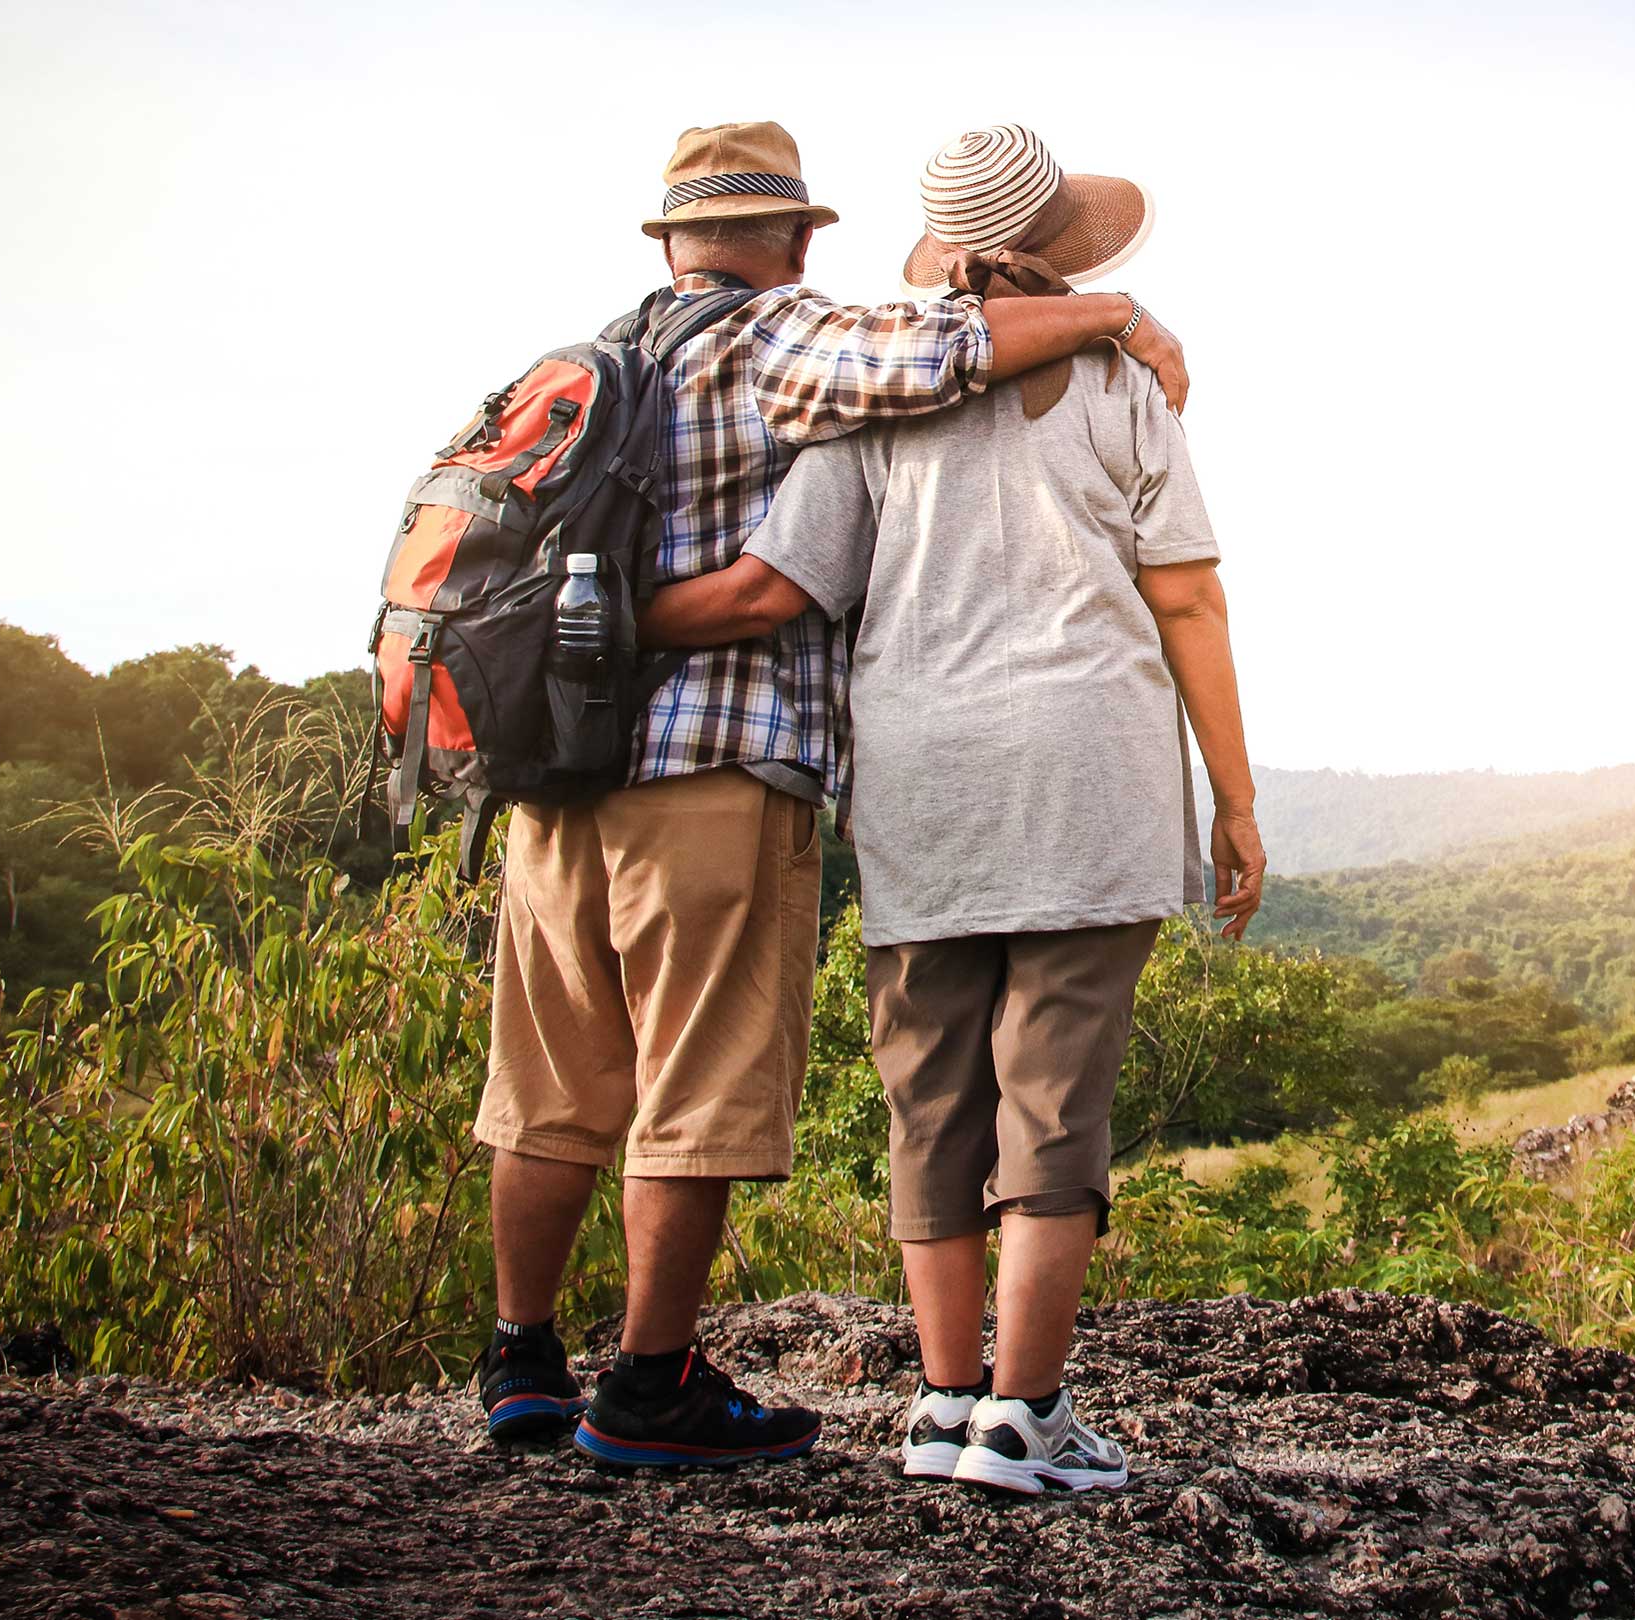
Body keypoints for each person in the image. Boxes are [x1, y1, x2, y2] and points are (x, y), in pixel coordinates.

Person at [471, 120, 1193, 1469]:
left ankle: (520, 1363)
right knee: (693, 1086)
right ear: (797, 237)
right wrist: (1121, 313)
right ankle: (647, 1384)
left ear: (670, 238)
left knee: (551, 1086)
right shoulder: (780, 339)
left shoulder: (591, 359)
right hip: (706, 769)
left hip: (554, 775)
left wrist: (579, 632)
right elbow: (941, 357)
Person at [637, 124, 1265, 1493]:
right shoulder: (1120, 379)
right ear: (1067, 246)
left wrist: (586, 630)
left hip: (920, 785)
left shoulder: (877, 403)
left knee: (932, 1101)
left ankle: (940, 1408)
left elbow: (780, 585)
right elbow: (1188, 597)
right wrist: (1234, 794)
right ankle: (1026, 1420)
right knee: (1055, 1098)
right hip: (1087, 770)